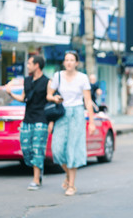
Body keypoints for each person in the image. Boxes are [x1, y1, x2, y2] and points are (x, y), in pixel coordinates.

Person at [47, 51, 96, 196]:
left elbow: (87, 101)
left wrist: (91, 122)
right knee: (57, 149)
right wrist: (54, 98)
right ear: (64, 62)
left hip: (77, 114)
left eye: (72, 60)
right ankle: (68, 174)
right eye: (66, 60)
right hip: (61, 113)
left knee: (73, 149)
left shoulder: (83, 78)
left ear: (76, 63)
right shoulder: (58, 76)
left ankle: (72, 185)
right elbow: (48, 95)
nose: (68, 62)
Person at [5, 55, 51, 191]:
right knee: (26, 149)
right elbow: (24, 98)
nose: (28, 66)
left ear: (37, 65)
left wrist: (51, 122)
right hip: (27, 119)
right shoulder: (27, 80)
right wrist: (11, 93)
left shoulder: (47, 82)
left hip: (41, 119)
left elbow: (49, 100)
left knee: (37, 149)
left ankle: (36, 179)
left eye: (30, 63)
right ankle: (38, 170)